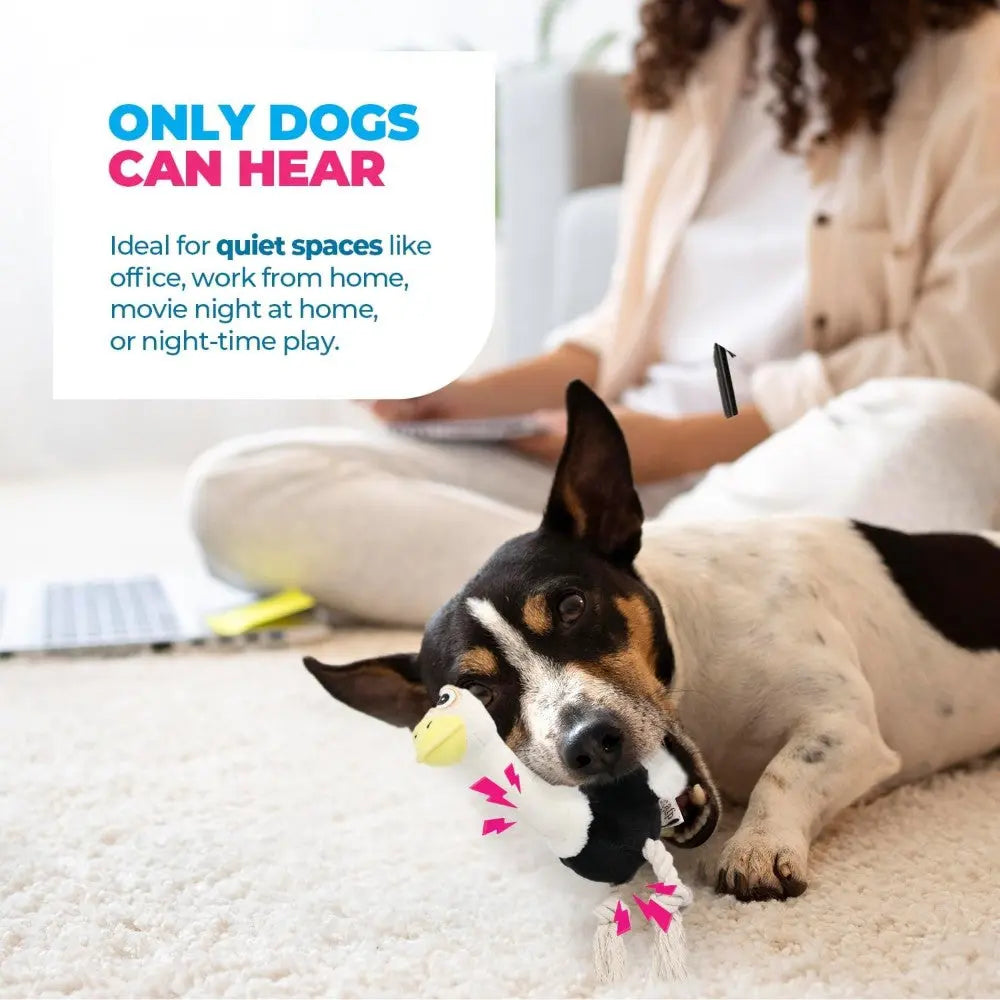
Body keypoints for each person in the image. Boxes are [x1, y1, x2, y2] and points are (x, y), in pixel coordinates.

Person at [186, 0, 1000, 626]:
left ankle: (591, 599)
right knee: (241, 487)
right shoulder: (693, 60)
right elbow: (623, 329)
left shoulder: (973, 60)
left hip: (795, 471)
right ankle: (646, 604)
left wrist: (678, 445)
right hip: (615, 481)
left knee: (950, 425)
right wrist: (465, 397)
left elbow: (948, 352)